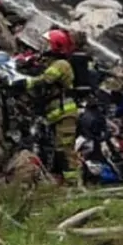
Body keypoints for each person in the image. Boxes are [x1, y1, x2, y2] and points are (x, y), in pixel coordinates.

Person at [16, 29, 81, 184]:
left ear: (56, 46)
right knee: (53, 148)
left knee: (65, 149)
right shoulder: (48, 62)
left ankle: (74, 183)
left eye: (47, 43)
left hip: (65, 113)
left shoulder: (61, 64)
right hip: (53, 114)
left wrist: (27, 82)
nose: (43, 47)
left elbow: (47, 79)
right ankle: (61, 180)